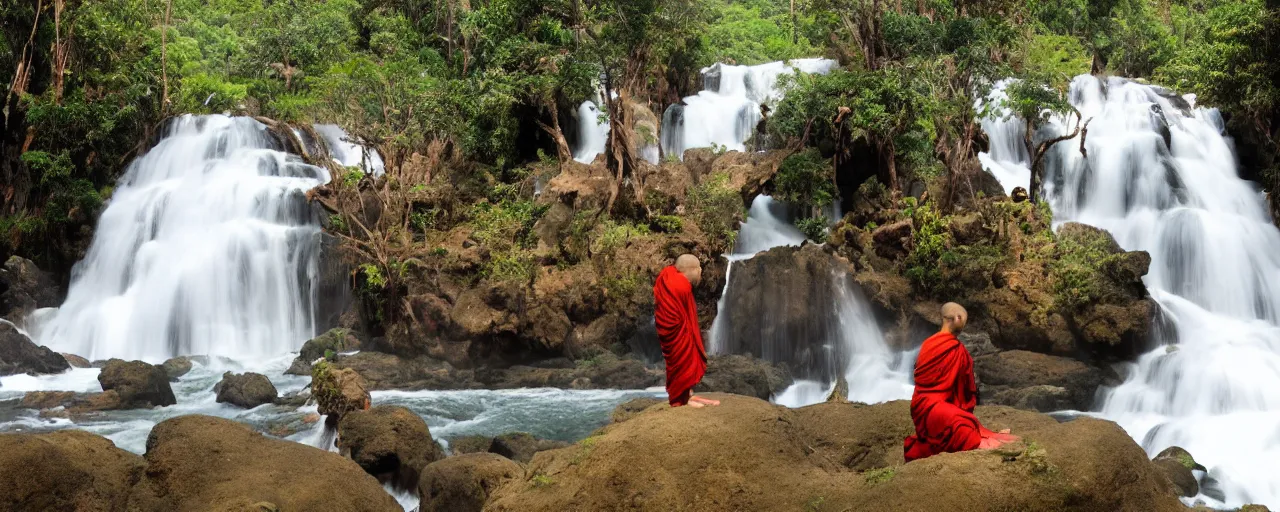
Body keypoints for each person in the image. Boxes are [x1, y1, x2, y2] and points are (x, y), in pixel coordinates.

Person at [903, 302, 1018, 462]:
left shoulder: (929, 343)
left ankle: (977, 434)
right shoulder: (951, 348)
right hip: (931, 407)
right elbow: (965, 388)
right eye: (963, 319)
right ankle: (980, 441)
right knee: (961, 426)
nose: (964, 324)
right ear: (957, 318)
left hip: (919, 406)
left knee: (964, 421)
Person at [653, 254, 719, 408]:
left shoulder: (667, 275)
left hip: (670, 328)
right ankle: (679, 400)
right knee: (684, 359)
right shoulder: (681, 286)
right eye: (699, 271)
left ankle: (687, 393)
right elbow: (684, 313)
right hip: (677, 330)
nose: (700, 274)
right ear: (692, 270)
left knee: (677, 361)